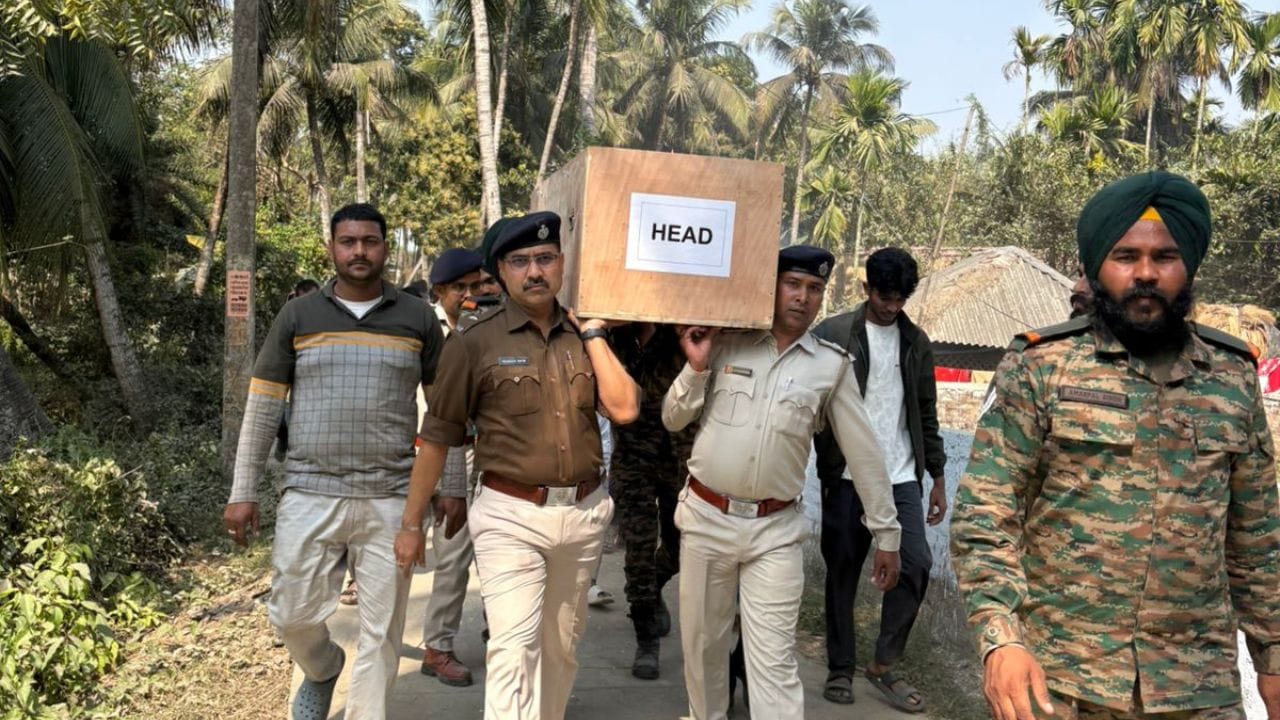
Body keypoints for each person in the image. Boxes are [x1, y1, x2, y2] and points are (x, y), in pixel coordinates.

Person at [951, 171, 1280, 720]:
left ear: (1189, 265)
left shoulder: (1232, 376)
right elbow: (985, 513)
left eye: (1165, 257)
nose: (1146, 273)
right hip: (1059, 680)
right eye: (1125, 256)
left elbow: (1257, 537)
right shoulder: (1043, 366)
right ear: (1098, 266)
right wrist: (1000, 638)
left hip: (1196, 686)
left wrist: (1272, 655)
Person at [396, 211, 641, 720]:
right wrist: (411, 524)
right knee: (513, 649)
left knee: (561, 650)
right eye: (520, 261)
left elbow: (624, 409)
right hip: (510, 514)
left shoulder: (585, 334)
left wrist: (594, 334)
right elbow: (437, 436)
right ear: (501, 272)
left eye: (545, 259)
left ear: (562, 264)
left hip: (583, 514)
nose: (534, 272)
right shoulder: (473, 341)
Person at [222, 203, 444, 720]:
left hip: (391, 496)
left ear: (384, 248)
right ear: (332, 248)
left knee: (382, 632)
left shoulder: (417, 319)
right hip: (309, 490)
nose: (359, 251)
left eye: (370, 241)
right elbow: (263, 406)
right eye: (348, 242)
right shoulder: (298, 316)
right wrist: (243, 491)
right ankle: (322, 668)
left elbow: (442, 416)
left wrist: (449, 486)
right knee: (291, 615)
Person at [662, 245, 902, 720]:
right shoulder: (725, 343)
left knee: (773, 661)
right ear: (770, 287)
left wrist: (887, 533)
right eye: (792, 284)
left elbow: (865, 454)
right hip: (708, 519)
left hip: (775, 532)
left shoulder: (830, 365)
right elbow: (673, 418)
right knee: (704, 651)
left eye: (814, 289)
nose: (802, 297)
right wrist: (696, 365)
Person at [812, 247, 946, 712]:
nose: (892, 307)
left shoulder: (915, 342)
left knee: (916, 563)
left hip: (902, 475)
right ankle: (840, 667)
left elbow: (925, 411)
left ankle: (885, 663)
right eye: (885, 297)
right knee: (843, 572)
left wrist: (937, 475)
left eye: (901, 299)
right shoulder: (833, 335)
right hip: (847, 476)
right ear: (866, 288)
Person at [609, 322, 695, 679]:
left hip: (679, 458)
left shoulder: (681, 334)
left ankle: (654, 586)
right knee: (639, 553)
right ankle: (646, 638)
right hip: (632, 460)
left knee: (680, 549)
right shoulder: (613, 337)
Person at [417, 247, 487, 687]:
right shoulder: (422, 326)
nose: (468, 294)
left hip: (466, 451)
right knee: (399, 553)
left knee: (455, 554)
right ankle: (382, 642)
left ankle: (437, 647)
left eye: (474, 286)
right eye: (459, 287)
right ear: (440, 290)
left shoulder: (482, 328)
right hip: (416, 453)